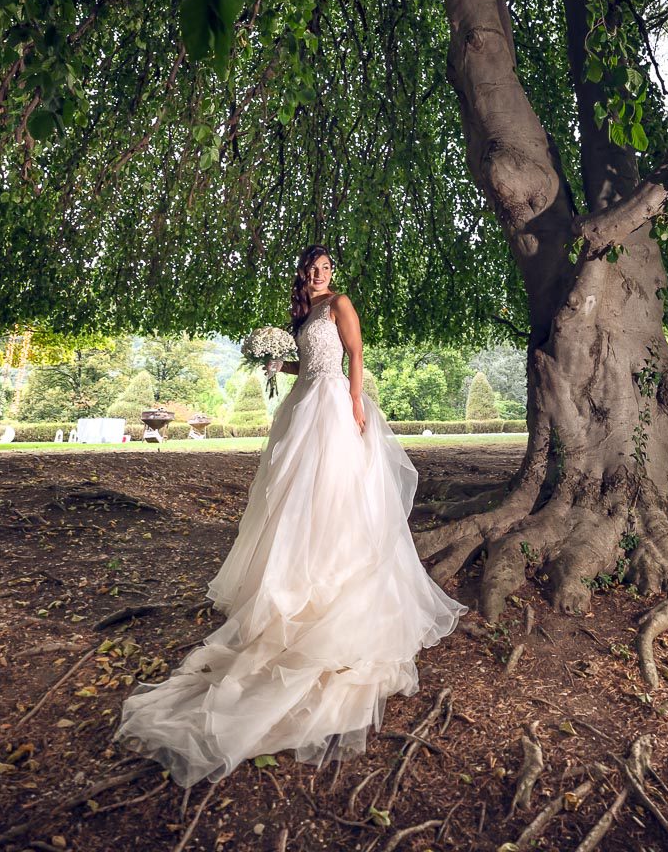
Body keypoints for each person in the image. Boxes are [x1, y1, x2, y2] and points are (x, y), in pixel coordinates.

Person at [114, 245, 464, 787]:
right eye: (312, 268)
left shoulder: (340, 303)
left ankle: (335, 579)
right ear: (303, 273)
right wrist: (282, 363)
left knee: (334, 490)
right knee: (291, 494)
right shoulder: (301, 314)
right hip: (303, 400)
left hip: (332, 404)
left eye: (325, 266)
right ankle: (293, 577)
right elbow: (312, 360)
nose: (319, 273)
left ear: (332, 272)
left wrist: (354, 404)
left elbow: (354, 354)